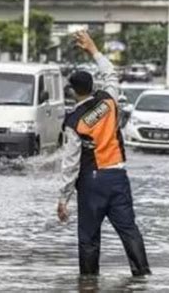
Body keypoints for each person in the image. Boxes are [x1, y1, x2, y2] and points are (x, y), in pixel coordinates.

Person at [58, 31, 151, 277]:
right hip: (118, 178)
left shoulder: (74, 122)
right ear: (92, 86)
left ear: (72, 92)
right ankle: (142, 277)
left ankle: (88, 283)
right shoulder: (109, 101)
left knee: (89, 239)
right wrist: (93, 50)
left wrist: (63, 198)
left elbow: (70, 163)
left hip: (91, 182)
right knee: (129, 230)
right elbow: (110, 73)